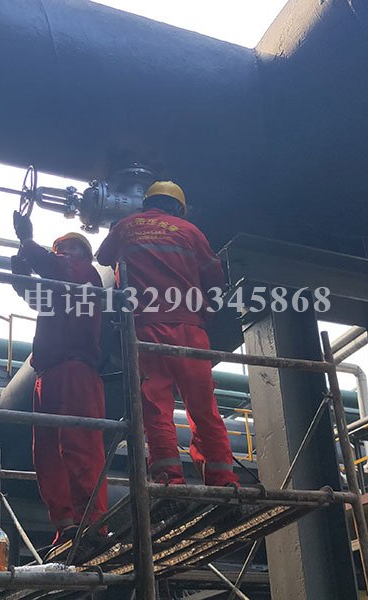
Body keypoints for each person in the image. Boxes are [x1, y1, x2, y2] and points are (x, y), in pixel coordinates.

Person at [96, 181, 238, 487]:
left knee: (156, 407)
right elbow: (215, 276)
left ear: (147, 203)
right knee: (203, 407)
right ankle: (223, 480)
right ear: (178, 207)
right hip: (190, 328)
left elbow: (103, 258)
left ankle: (169, 479)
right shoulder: (190, 231)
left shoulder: (126, 226)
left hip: (146, 328)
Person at [11, 212, 107, 546]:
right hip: (49, 374)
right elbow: (35, 295)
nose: (63, 252)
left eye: (70, 248)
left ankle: (92, 524)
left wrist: (27, 243)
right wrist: (20, 274)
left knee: (81, 447)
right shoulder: (60, 287)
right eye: (59, 248)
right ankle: (66, 525)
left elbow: (55, 268)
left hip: (75, 370)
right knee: (48, 454)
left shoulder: (85, 275)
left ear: (84, 256)